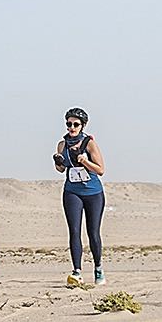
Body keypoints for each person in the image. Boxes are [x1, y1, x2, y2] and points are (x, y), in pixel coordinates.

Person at [54, 107, 106, 286]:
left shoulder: (89, 143)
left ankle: (98, 268)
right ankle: (76, 271)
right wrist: (58, 163)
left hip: (93, 193)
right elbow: (61, 170)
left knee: (93, 232)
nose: (71, 127)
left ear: (82, 126)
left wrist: (85, 161)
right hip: (72, 192)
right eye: (69, 124)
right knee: (74, 231)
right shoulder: (62, 145)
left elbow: (101, 170)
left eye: (76, 124)